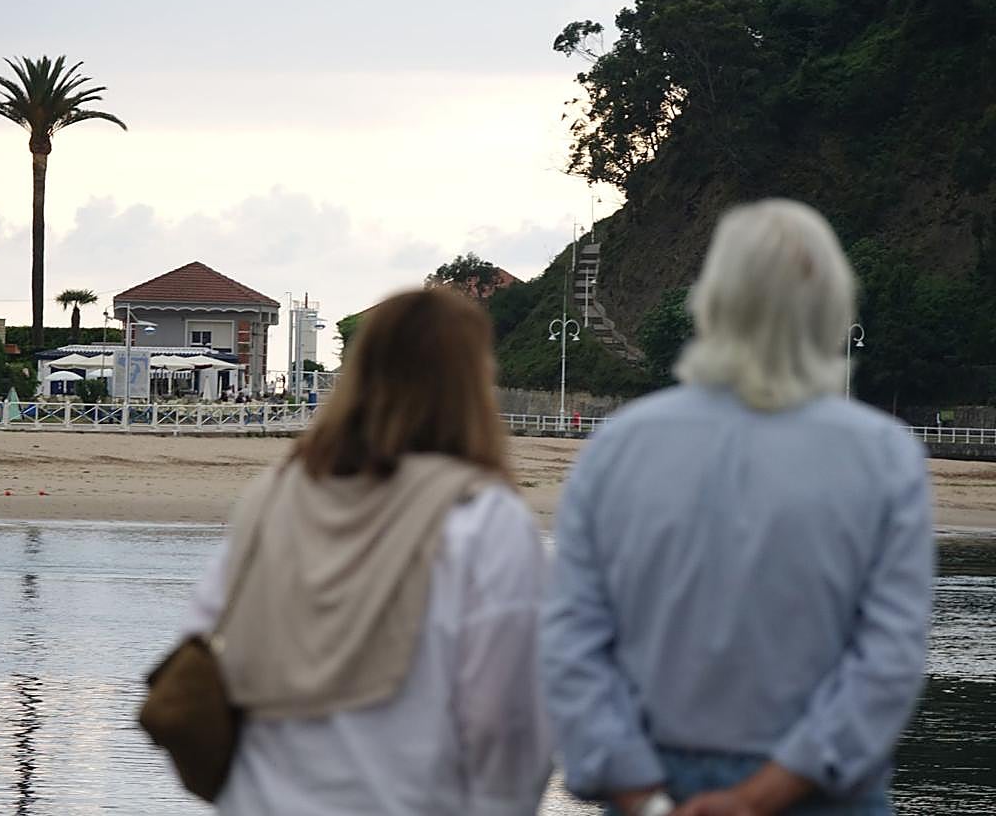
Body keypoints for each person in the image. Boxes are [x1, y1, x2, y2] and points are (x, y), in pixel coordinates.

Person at [541, 199, 934, 816]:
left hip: (654, 777)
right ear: (834, 305)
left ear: (711, 300)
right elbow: (888, 660)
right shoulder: (884, 456)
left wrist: (643, 797)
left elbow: (571, 643)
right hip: (819, 791)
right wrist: (760, 796)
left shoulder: (620, 446)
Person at [181, 289, 551, 815]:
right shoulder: (485, 523)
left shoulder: (274, 496)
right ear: (472, 385)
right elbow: (504, 722)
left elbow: (201, 649)